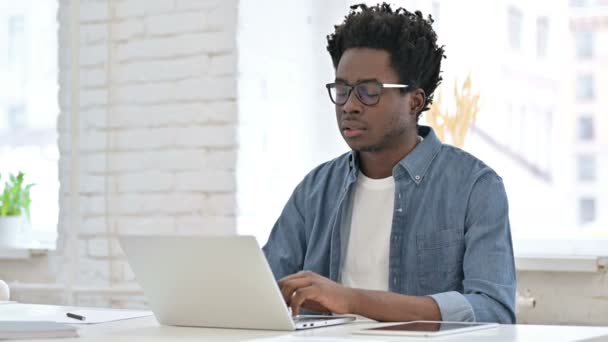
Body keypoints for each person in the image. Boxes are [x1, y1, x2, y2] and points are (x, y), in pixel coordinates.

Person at [262, 2, 516, 324]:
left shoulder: (474, 187)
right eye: (342, 90)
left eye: (369, 92)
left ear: (415, 101)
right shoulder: (315, 190)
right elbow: (261, 292)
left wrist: (350, 300)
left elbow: (494, 312)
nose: (350, 106)